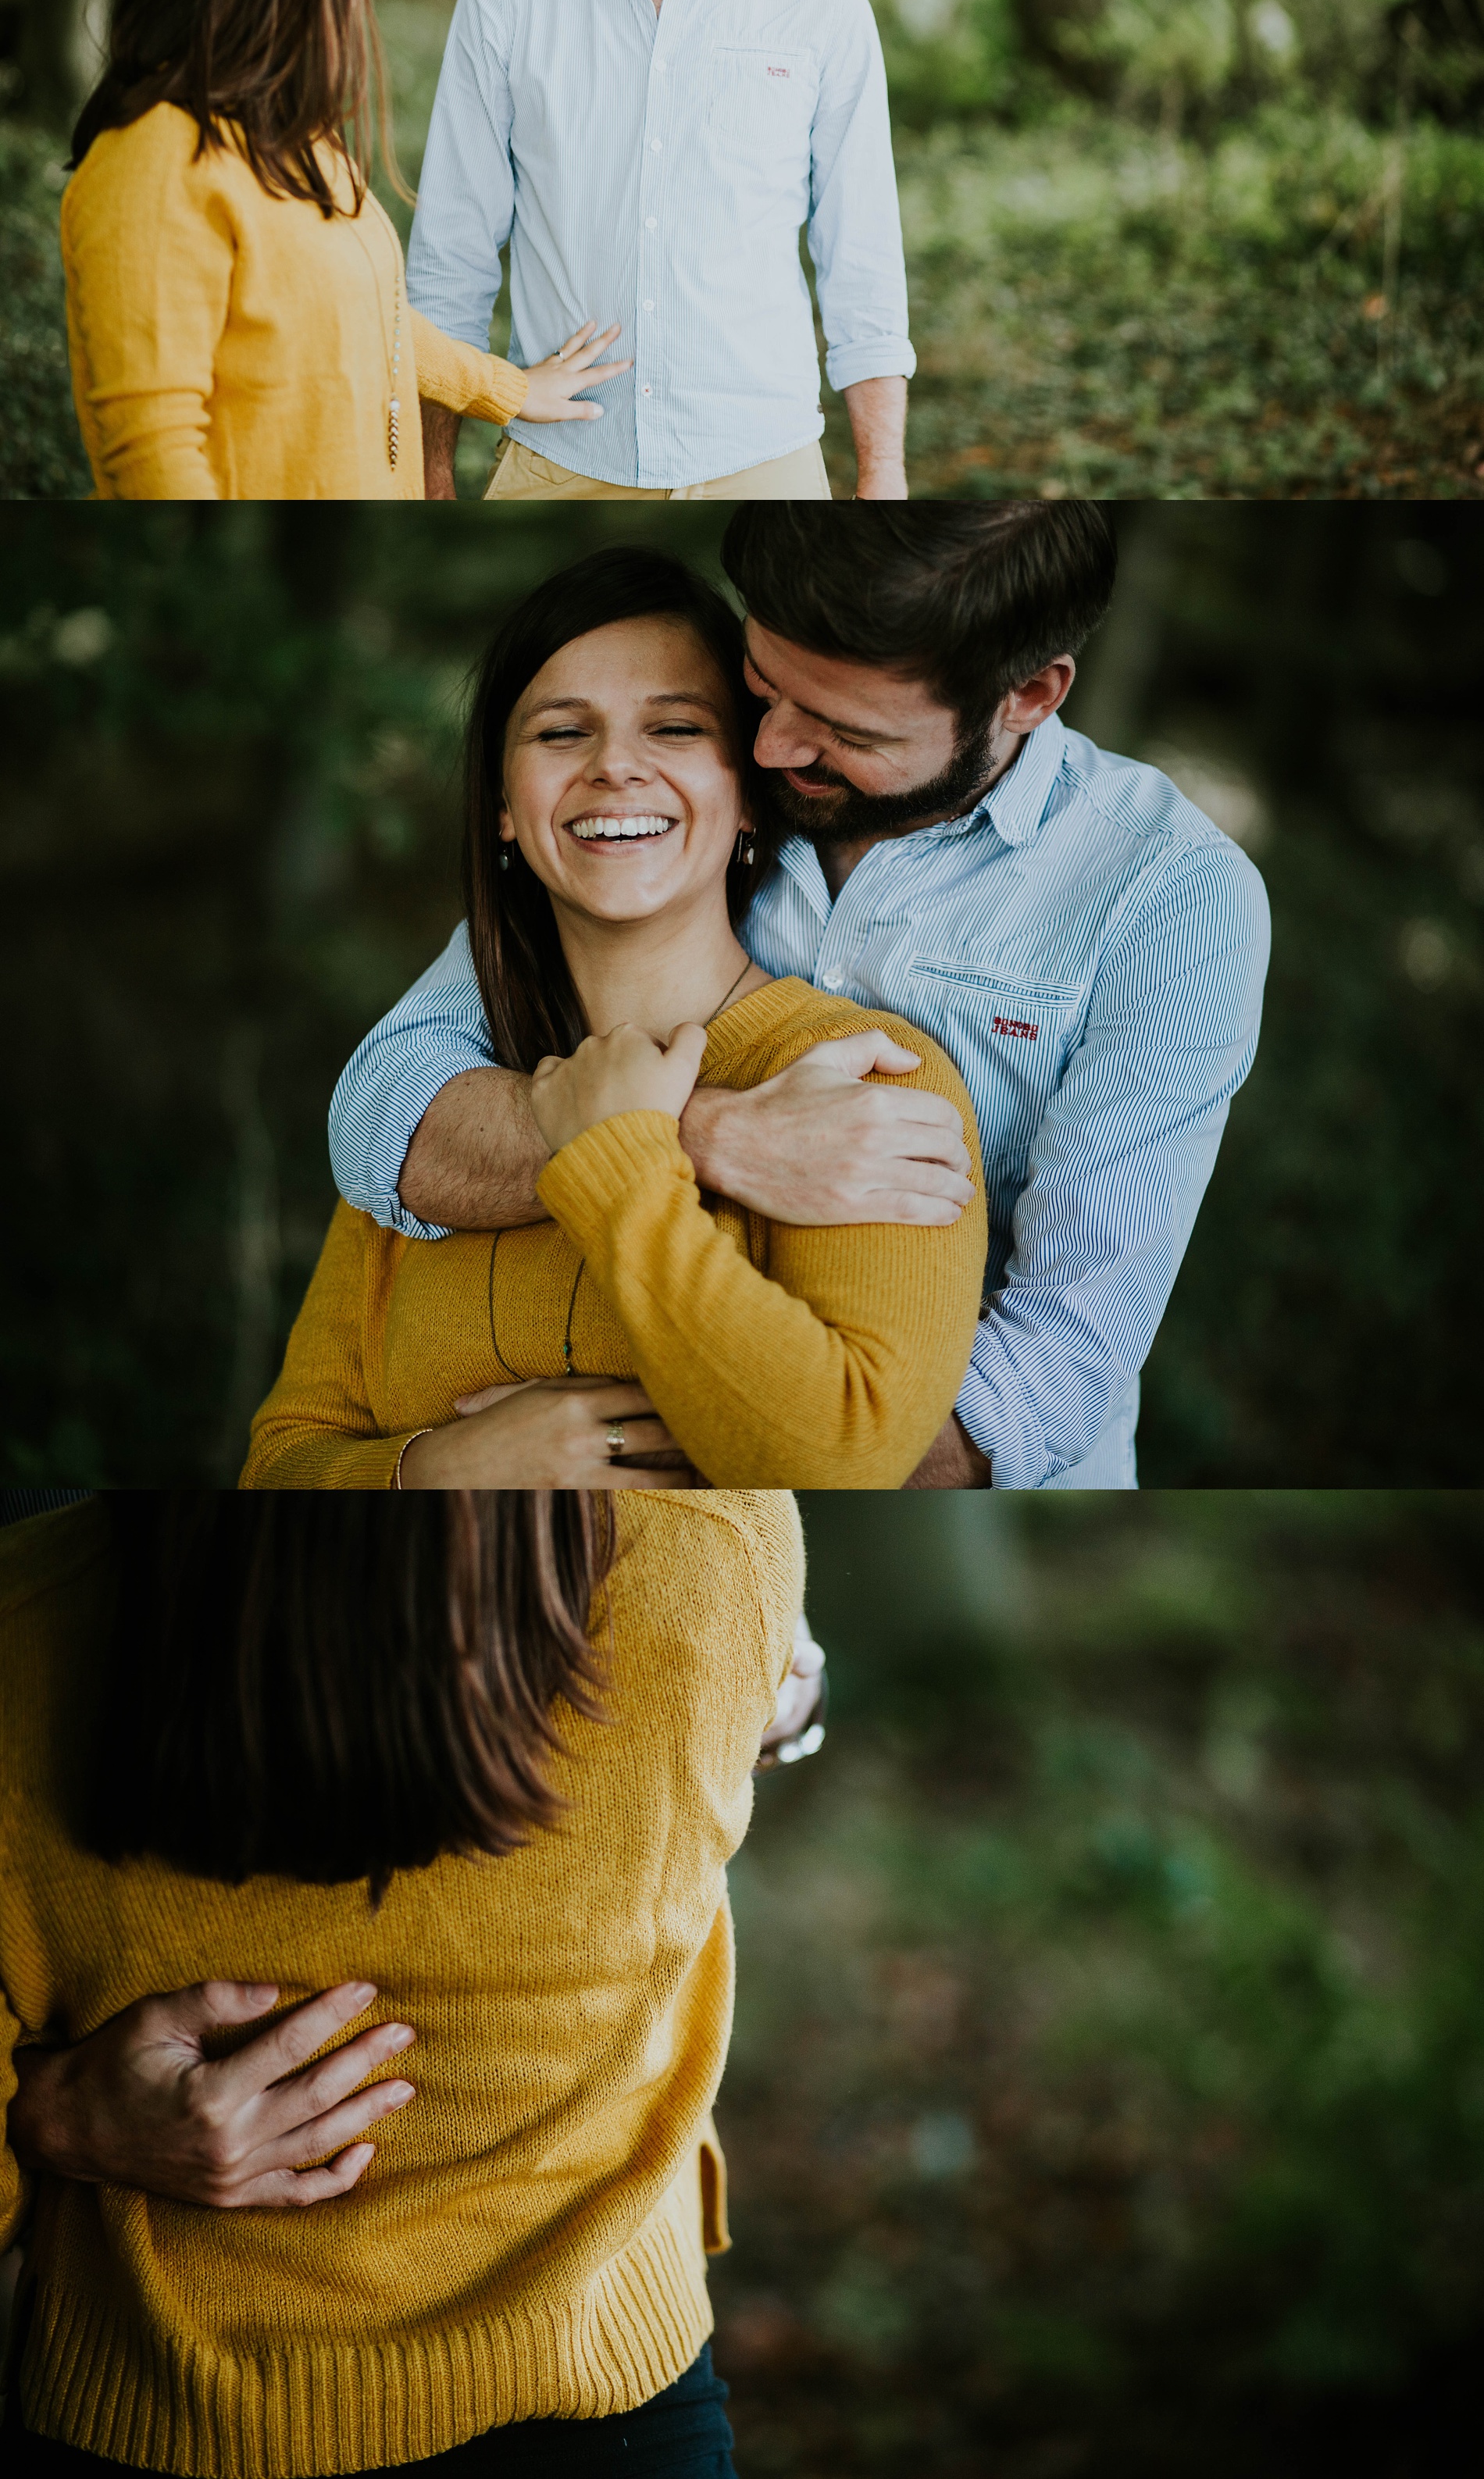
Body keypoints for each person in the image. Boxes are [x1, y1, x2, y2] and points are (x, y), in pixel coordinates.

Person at [330, 503, 1272, 1493]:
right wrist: (703, 1134)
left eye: (843, 728)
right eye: (765, 681)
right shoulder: (677, 796)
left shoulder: (1165, 894)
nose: (772, 747)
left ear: (1028, 694)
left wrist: (714, 1451)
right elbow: (380, 1118)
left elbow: (1057, 1363)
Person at [0, 1486, 809, 2474]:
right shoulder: (707, 1538)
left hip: (182, 2416)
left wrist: (52, 2115)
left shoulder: (28, 1622)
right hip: (613, 2393)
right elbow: (775, 1687)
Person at [241, 548, 986, 1490]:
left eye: (674, 728)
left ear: (751, 794)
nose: (615, 767)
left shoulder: (859, 1077)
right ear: (504, 808)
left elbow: (841, 1454)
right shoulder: (444, 1115)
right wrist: (441, 1468)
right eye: (560, 733)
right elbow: (278, 1463)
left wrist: (622, 1164)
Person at [410, 0, 914, 507]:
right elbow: (450, 265)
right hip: (555, 464)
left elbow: (861, 268)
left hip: (766, 463)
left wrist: (882, 477)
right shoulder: (505, 0)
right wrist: (429, 479)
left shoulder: (822, 13)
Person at [59, 0, 629, 501]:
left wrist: (506, 390)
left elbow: (369, 313)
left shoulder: (294, 139)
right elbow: (152, 455)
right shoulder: (155, 163)